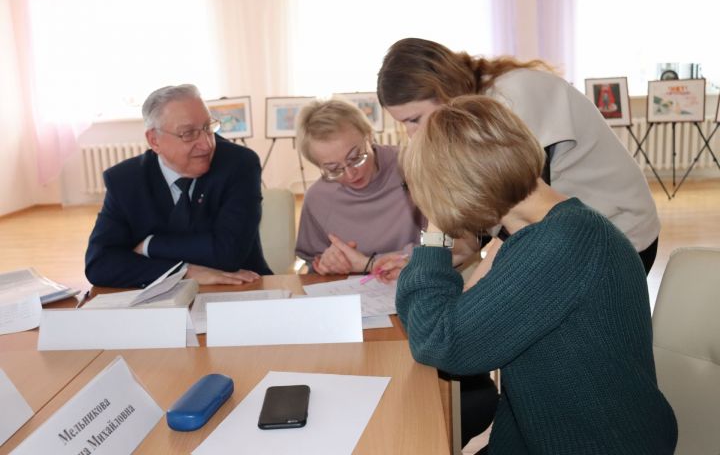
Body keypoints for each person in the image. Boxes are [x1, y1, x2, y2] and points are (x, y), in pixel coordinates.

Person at [395, 95, 677, 454]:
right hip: (546, 435)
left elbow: (439, 340)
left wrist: (435, 233)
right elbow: (445, 329)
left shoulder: (561, 244)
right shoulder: (547, 230)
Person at [376, 37, 660, 274]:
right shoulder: (477, 106)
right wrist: (456, 249)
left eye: (414, 119)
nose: (413, 134)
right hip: (574, 233)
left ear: (445, 91)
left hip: (621, 234)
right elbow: (495, 205)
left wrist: (472, 284)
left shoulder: (513, 95)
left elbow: (522, 204)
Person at [85, 84, 272, 288]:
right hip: (160, 303)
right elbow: (100, 264)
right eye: (188, 133)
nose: (207, 144)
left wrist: (150, 245)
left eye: (208, 128)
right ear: (154, 140)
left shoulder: (239, 164)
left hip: (242, 289)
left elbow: (228, 253)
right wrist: (183, 272)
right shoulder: (126, 181)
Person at [295, 99, 422, 274]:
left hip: (418, 281)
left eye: (355, 158)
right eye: (333, 169)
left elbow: (449, 245)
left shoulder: (414, 167)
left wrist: (370, 263)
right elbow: (313, 262)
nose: (350, 174)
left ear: (369, 136)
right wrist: (328, 262)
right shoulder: (318, 198)